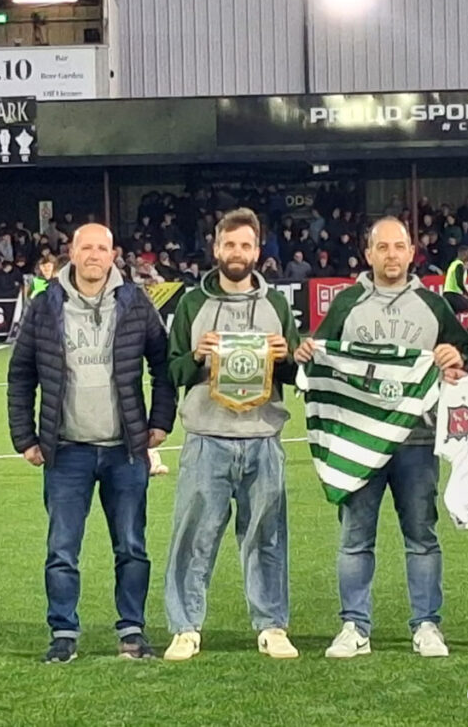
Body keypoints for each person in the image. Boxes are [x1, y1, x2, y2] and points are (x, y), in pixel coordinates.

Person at [294, 217, 468, 659]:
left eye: (399, 246)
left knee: (421, 536)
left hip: (417, 441)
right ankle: (354, 626)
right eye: (383, 247)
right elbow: (321, 355)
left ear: (412, 252)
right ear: (368, 254)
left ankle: (427, 625)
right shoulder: (347, 303)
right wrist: (306, 354)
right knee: (355, 538)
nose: (392, 255)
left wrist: (456, 356)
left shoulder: (433, 305)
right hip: (358, 443)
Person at [7, 223, 177, 664]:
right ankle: (63, 633)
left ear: (113, 254)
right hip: (66, 450)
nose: (94, 255)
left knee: (132, 547)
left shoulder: (135, 301)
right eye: (87, 247)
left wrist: (160, 421)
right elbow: (21, 374)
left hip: (126, 450)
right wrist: (25, 437)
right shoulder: (45, 304)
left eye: (102, 248)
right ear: (73, 252)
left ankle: (132, 631)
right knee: (62, 550)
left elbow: (163, 364)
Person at [162, 208, 301, 662]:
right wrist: (195, 356)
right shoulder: (191, 303)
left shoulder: (276, 304)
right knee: (193, 538)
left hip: (263, 437)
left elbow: (296, 374)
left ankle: (272, 625)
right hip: (207, 437)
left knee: (267, 537)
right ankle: (185, 628)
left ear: (257, 251)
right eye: (229, 244)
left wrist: (286, 357)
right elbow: (171, 370)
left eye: (245, 245)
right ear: (216, 248)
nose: (237, 252)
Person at [442, 246, 468, 324]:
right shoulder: (459, 265)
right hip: (454, 295)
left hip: (448, 294)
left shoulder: (453, 264)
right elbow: (459, 283)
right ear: (465, 254)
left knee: (452, 318)